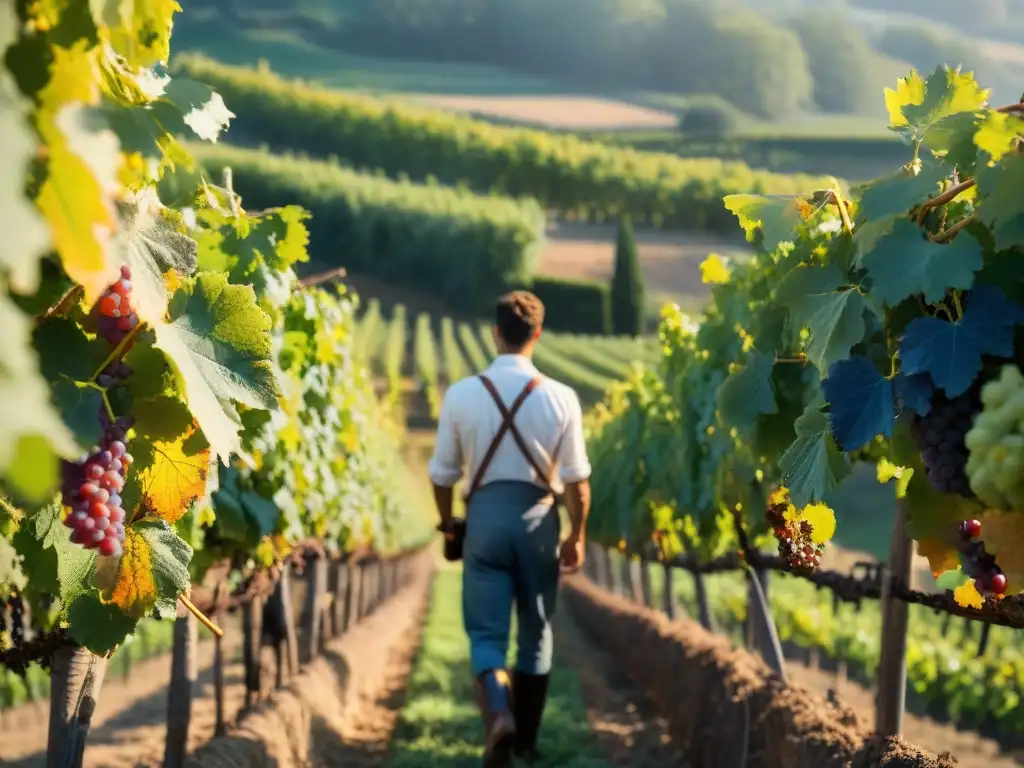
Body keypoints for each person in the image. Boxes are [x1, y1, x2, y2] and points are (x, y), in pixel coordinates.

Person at [428, 290, 592, 767]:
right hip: (539, 524)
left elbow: (441, 475)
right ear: (537, 335)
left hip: (483, 524)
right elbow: (578, 485)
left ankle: (499, 714)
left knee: (486, 635)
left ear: (495, 333)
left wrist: (448, 525)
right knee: (537, 633)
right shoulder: (562, 398)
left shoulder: (461, 395)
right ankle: (526, 743)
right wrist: (576, 536)